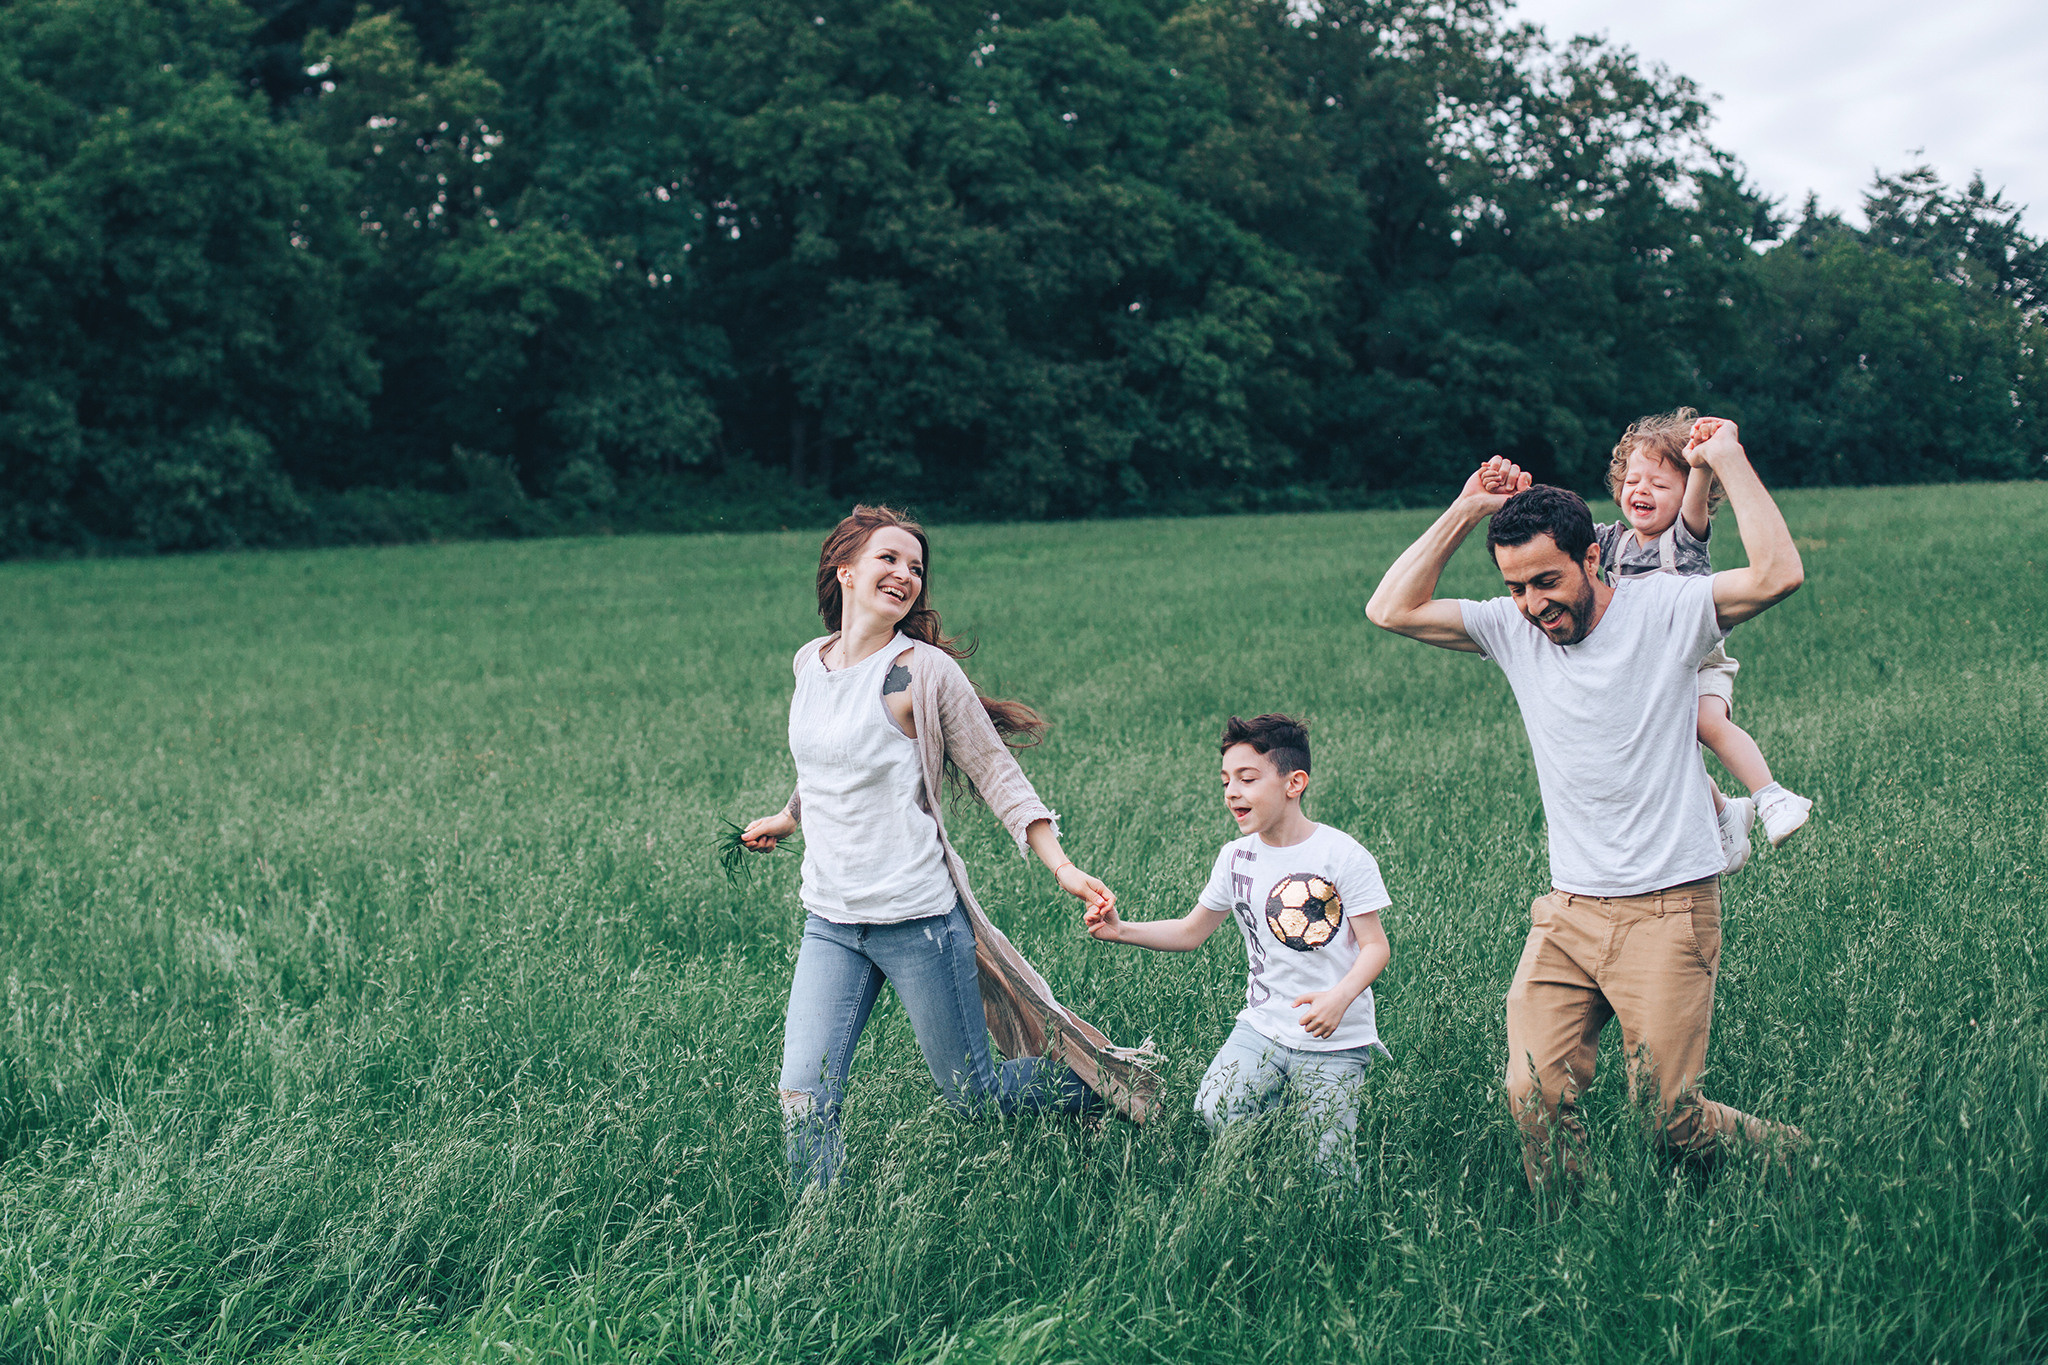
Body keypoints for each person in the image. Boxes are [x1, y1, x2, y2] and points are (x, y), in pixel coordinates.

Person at [1365, 419, 1805, 1190]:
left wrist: (1727, 458)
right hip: (1568, 912)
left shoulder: (1665, 608)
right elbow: (1390, 608)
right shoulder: (1512, 630)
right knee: (1532, 1090)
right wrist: (1468, 507)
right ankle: (1567, 1231)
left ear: (1592, 556)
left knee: (1670, 1117)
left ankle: (1805, 1159)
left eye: (1547, 581)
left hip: (1669, 909)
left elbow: (1776, 573)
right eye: (1516, 586)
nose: (1533, 605)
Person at [740, 505, 1160, 1189]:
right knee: (803, 1092)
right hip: (831, 920)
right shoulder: (809, 664)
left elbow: (997, 771)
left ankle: (1106, 1090)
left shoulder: (922, 672)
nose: (905, 574)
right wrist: (788, 818)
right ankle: (817, 1235)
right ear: (844, 570)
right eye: (889, 559)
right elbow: (825, 766)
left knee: (974, 1094)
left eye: (916, 567)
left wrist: (1061, 864)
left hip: (918, 921)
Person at [1082, 714, 1393, 1184]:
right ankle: (1263, 1168)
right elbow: (1191, 932)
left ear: (1295, 783)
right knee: (1215, 1108)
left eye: (1247, 779)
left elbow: (1376, 948)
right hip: (1263, 1026)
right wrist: (1121, 930)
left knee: (1328, 1170)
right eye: (1226, 780)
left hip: (1334, 1040)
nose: (1231, 791)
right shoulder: (1236, 857)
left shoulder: (1342, 855)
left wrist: (1339, 998)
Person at [1586, 408, 1814, 869]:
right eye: (1632, 481)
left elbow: (1694, 495)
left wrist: (1702, 462)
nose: (1641, 491)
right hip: (1650, 670)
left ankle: (1770, 796)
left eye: (1659, 483)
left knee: (1705, 723)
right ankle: (1725, 814)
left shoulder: (1683, 539)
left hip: (1699, 662)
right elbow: (1562, 532)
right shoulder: (1611, 543)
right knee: (1667, 754)